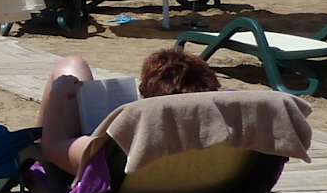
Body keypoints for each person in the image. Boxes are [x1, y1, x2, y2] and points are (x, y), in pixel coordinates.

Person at [36, 48, 221, 175]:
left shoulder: (122, 146)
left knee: (72, 65)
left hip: (107, 181)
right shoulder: (222, 135)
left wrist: (58, 94)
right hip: (177, 180)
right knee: (75, 66)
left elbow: (50, 147)